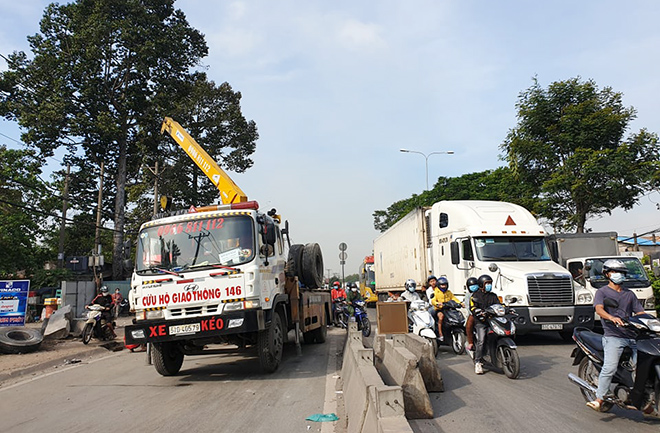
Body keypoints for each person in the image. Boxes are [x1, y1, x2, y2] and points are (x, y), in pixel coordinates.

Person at [587, 259, 644, 411]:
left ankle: (640, 397)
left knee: (643, 366)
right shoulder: (602, 292)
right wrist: (611, 317)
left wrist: (650, 322)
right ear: (607, 274)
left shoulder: (629, 294)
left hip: (632, 336)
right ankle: (599, 398)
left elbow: (640, 312)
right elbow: (599, 309)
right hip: (614, 336)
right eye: (615, 272)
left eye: (621, 273)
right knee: (610, 367)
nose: (619, 275)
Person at [470, 274, 500, 374]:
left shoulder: (493, 296)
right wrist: (478, 311)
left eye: (490, 283)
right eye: (487, 284)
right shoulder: (475, 296)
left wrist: (507, 309)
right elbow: (472, 307)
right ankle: (477, 362)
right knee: (481, 340)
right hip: (481, 322)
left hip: (493, 321)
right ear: (481, 284)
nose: (489, 285)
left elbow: (499, 305)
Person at [430, 277, 461, 342]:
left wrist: (460, 303)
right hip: (440, 309)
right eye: (442, 285)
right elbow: (433, 300)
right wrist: (437, 303)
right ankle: (440, 335)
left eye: (445, 285)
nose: (444, 286)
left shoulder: (449, 292)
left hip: (448, 308)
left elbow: (454, 298)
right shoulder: (436, 292)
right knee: (441, 317)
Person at [464, 277, 479, 352]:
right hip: (473, 313)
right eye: (472, 286)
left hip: (484, 313)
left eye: (476, 285)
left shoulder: (481, 293)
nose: (474, 287)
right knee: (469, 325)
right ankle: (470, 342)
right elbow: (467, 306)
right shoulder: (468, 295)